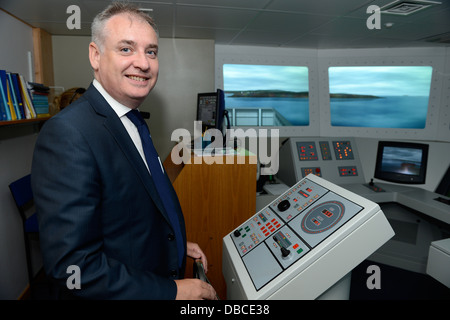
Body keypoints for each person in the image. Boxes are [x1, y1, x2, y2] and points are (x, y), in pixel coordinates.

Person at [31, 2, 216, 300]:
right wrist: (169, 291)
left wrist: (177, 246)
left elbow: (132, 211)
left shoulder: (132, 120)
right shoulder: (68, 133)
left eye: (151, 51)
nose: (143, 63)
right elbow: (74, 268)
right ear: (95, 55)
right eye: (126, 49)